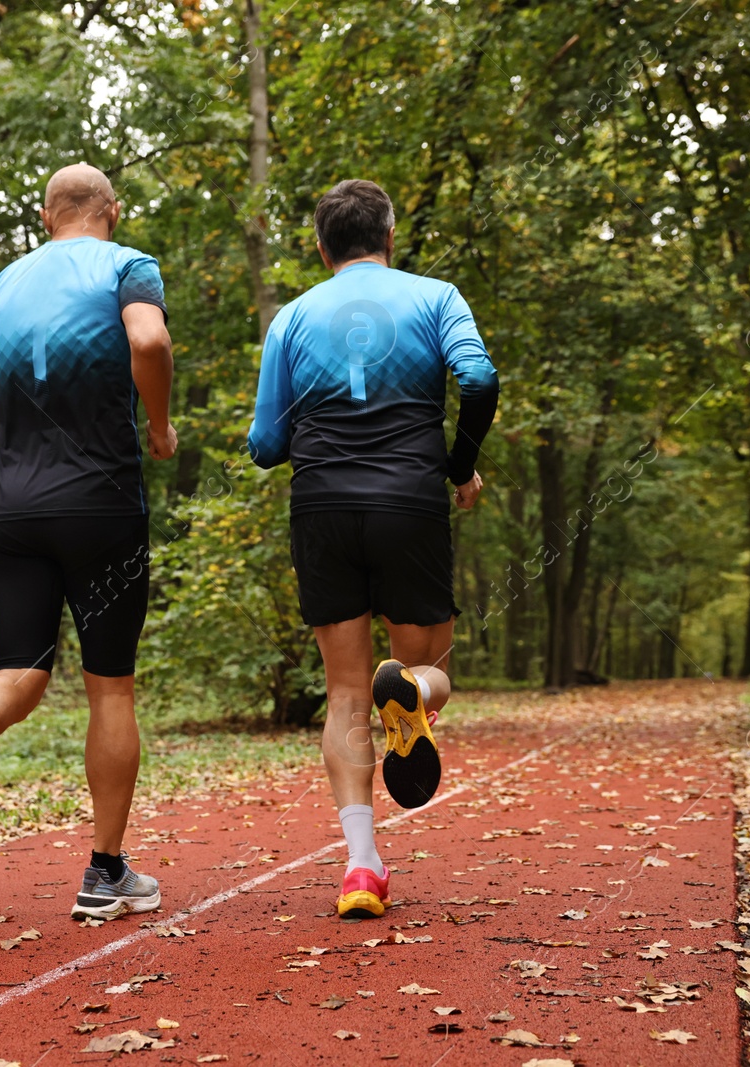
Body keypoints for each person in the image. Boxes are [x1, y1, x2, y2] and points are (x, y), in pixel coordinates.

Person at [0, 163, 175, 921]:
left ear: (46, 216)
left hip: (13, 511)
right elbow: (148, 340)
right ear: (111, 210)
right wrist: (158, 423)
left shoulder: (0, 285)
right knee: (109, 683)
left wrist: (17, 411)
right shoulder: (128, 266)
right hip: (103, 504)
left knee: (19, 671)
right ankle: (105, 871)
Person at [246, 179, 499, 919]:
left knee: (347, 693)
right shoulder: (436, 296)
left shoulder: (292, 317)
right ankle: (415, 696)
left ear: (322, 248)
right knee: (427, 667)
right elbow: (478, 377)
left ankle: (361, 867)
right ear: (389, 238)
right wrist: (459, 462)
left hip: (322, 506)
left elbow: (264, 446)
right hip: (410, 501)